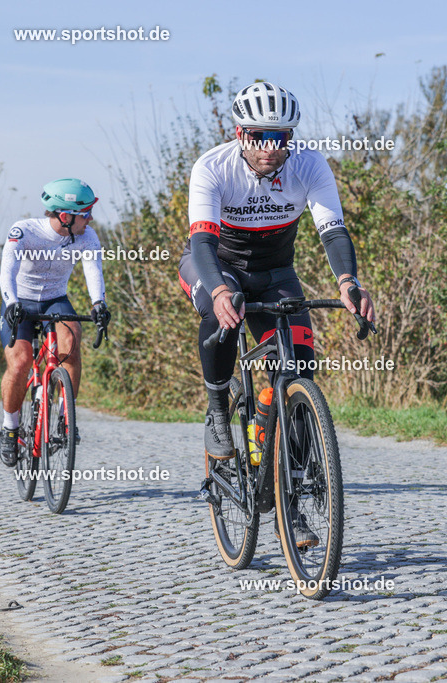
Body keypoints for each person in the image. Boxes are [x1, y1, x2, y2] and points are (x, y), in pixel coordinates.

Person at [178, 81, 375, 546]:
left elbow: (333, 231)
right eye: (259, 136)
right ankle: (218, 409)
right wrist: (220, 290)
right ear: (240, 133)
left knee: (299, 370)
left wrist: (349, 283)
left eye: (281, 136)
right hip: (216, 265)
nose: (270, 147)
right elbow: (202, 242)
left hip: (275, 272)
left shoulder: (309, 164)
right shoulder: (213, 167)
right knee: (221, 315)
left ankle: (292, 501)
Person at [0, 178, 111, 466]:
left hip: (55, 299)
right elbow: (6, 271)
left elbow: (93, 272)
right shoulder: (24, 231)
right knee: (20, 363)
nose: (90, 218)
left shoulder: (87, 237)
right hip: (20, 302)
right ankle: (10, 429)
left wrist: (99, 304)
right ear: (65, 216)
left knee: (70, 345)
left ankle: (65, 419)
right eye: (85, 213)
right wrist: (11, 303)